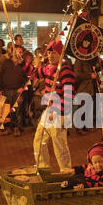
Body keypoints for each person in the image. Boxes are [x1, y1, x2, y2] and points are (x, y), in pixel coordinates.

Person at [33, 40, 75, 173]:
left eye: (54, 53)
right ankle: (43, 170)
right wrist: (20, 61)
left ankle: (66, 171)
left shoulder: (65, 70)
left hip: (60, 113)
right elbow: (34, 73)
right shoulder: (49, 67)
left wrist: (58, 113)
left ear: (61, 54)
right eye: (49, 52)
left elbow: (69, 96)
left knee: (60, 145)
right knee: (39, 141)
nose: (50, 55)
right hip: (49, 111)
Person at [0, 45, 28, 137]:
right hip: (7, 90)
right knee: (6, 111)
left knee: (17, 110)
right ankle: (9, 127)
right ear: (12, 52)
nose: (19, 54)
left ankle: (17, 128)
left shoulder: (23, 64)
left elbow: (27, 78)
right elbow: (0, 76)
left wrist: (23, 87)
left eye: (20, 52)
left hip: (18, 91)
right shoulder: (6, 63)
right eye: (17, 52)